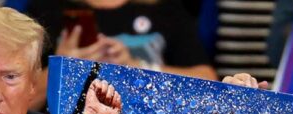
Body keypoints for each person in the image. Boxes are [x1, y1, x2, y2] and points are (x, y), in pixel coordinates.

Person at [25, 0, 217, 108]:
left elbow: (209, 83)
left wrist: (138, 66)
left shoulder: (165, 9)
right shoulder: (46, 9)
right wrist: (63, 67)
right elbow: (18, 102)